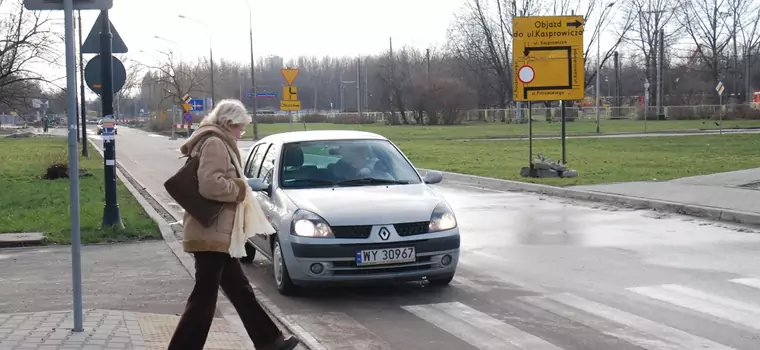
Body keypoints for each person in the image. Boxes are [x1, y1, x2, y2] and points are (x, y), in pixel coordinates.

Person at [169, 99, 300, 350]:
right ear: (228, 123)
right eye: (240, 127)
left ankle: (269, 341)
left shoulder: (215, 139)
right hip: (211, 233)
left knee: (240, 290)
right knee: (204, 298)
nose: (242, 133)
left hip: (218, 232)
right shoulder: (216, 143)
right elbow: (210, 185)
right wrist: (241, 187)